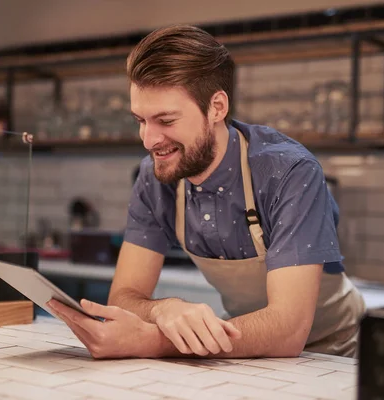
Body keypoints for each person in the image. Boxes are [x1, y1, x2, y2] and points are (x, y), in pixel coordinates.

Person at [47, 24, 366, 359]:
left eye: (165, 121)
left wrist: (155, 342)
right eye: (140, 120)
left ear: (217, 107)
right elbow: (123, 297)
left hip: (335, 354)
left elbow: (288, 330)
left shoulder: (289, 172)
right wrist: (164, 309)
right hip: (243, 346)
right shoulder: (154, 178)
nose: (148, 140)